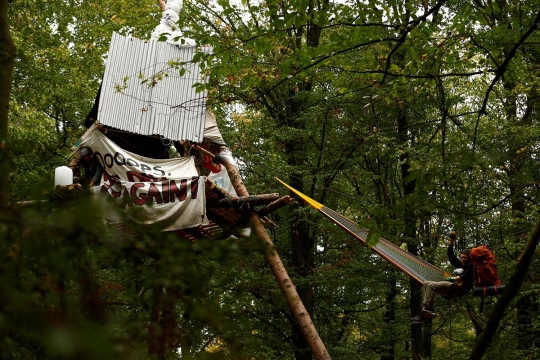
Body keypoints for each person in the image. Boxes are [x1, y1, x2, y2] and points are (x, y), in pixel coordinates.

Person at [411, 231, 474, 323]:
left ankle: (427, 310)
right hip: (454, 285)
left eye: (465, 257)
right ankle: (425, 312)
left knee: (432, 286)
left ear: (469, 258)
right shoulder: (461, 264)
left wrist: (451, 278)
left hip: (459, 287)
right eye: (461, 257)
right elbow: (451, 257)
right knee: (426, 283)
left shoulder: (471, 265)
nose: (462, 259)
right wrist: (452, 241)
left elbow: (463, 277)